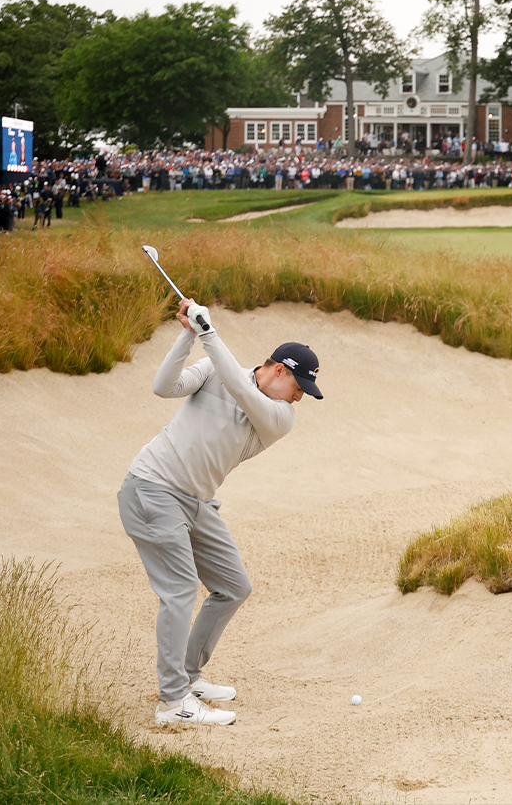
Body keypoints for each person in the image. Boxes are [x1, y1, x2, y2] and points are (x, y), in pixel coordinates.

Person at [118, 298, 323, 726]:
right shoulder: (213, 369)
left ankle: (189, 677)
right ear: (280, 371)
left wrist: (209, 334)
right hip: (153, 488)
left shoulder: (279, 416)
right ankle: (172, 703)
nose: (299, 398)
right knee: (178, 591)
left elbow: (242, 389)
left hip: (194, 502)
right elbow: (164, 386)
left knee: (234, 586)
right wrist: (188, 335)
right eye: (299, 387)